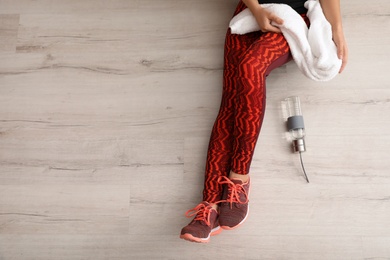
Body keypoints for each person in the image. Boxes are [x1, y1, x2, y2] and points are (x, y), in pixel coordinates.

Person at [180, 0, 348, 243]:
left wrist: (338, 30)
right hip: (250, 11)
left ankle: (239, 179)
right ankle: (209, 208)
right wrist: (257, 10)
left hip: (294, 15)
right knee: (230, 102)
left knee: (250, 66)